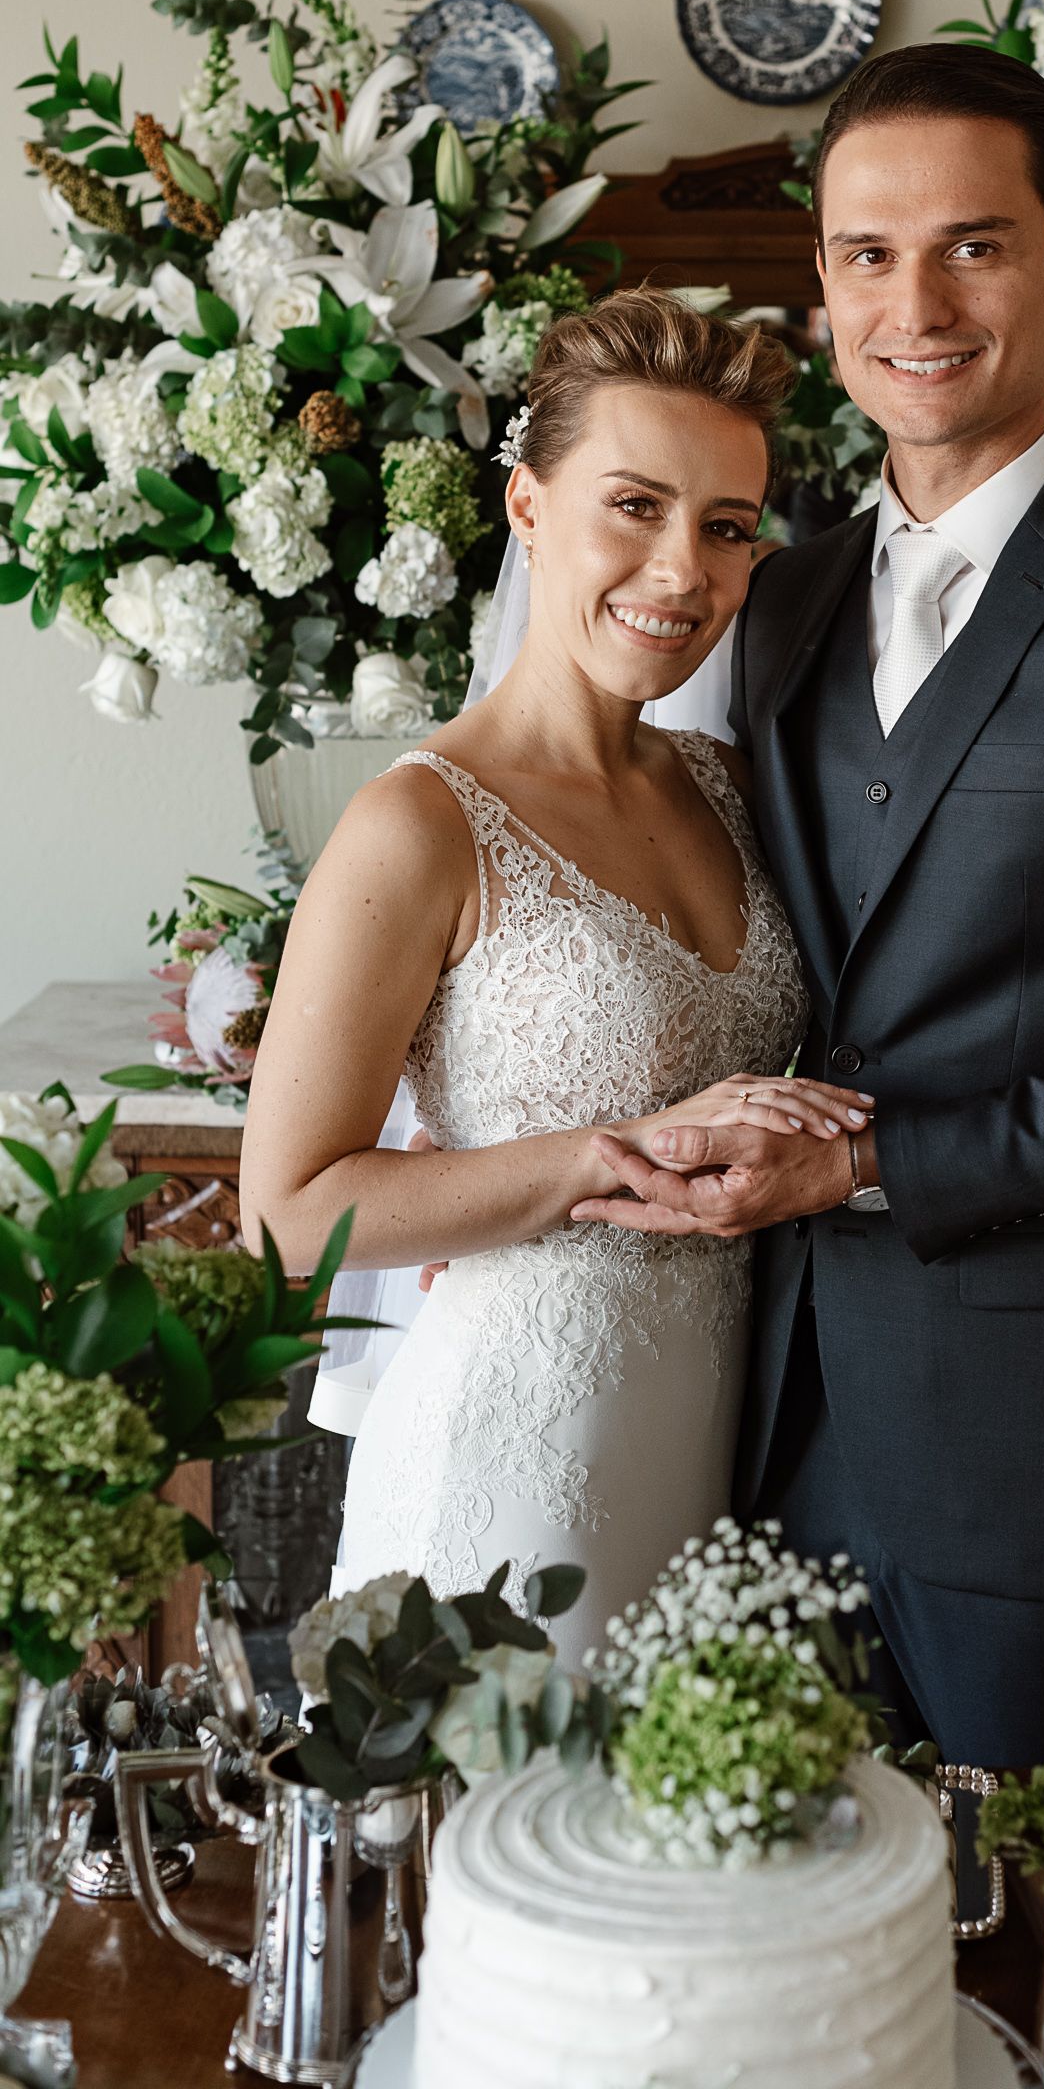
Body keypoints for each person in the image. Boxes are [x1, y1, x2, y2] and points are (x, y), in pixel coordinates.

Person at [571, 44, 1044, 1768]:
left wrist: (863, 1160)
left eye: (973, 246)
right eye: (866, 254)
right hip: (754, 1428)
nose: (912, 303)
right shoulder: (768, 599)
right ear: (824, 283)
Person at [237, 291, 868, 1666]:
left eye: (724, 527)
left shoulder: (731, 788)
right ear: (528, 509)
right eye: (631, 506)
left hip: (721, 1456)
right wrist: (600, 1155)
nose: (679, 572)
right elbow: (288, 1217)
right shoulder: (419, 825)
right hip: (509, 1457)